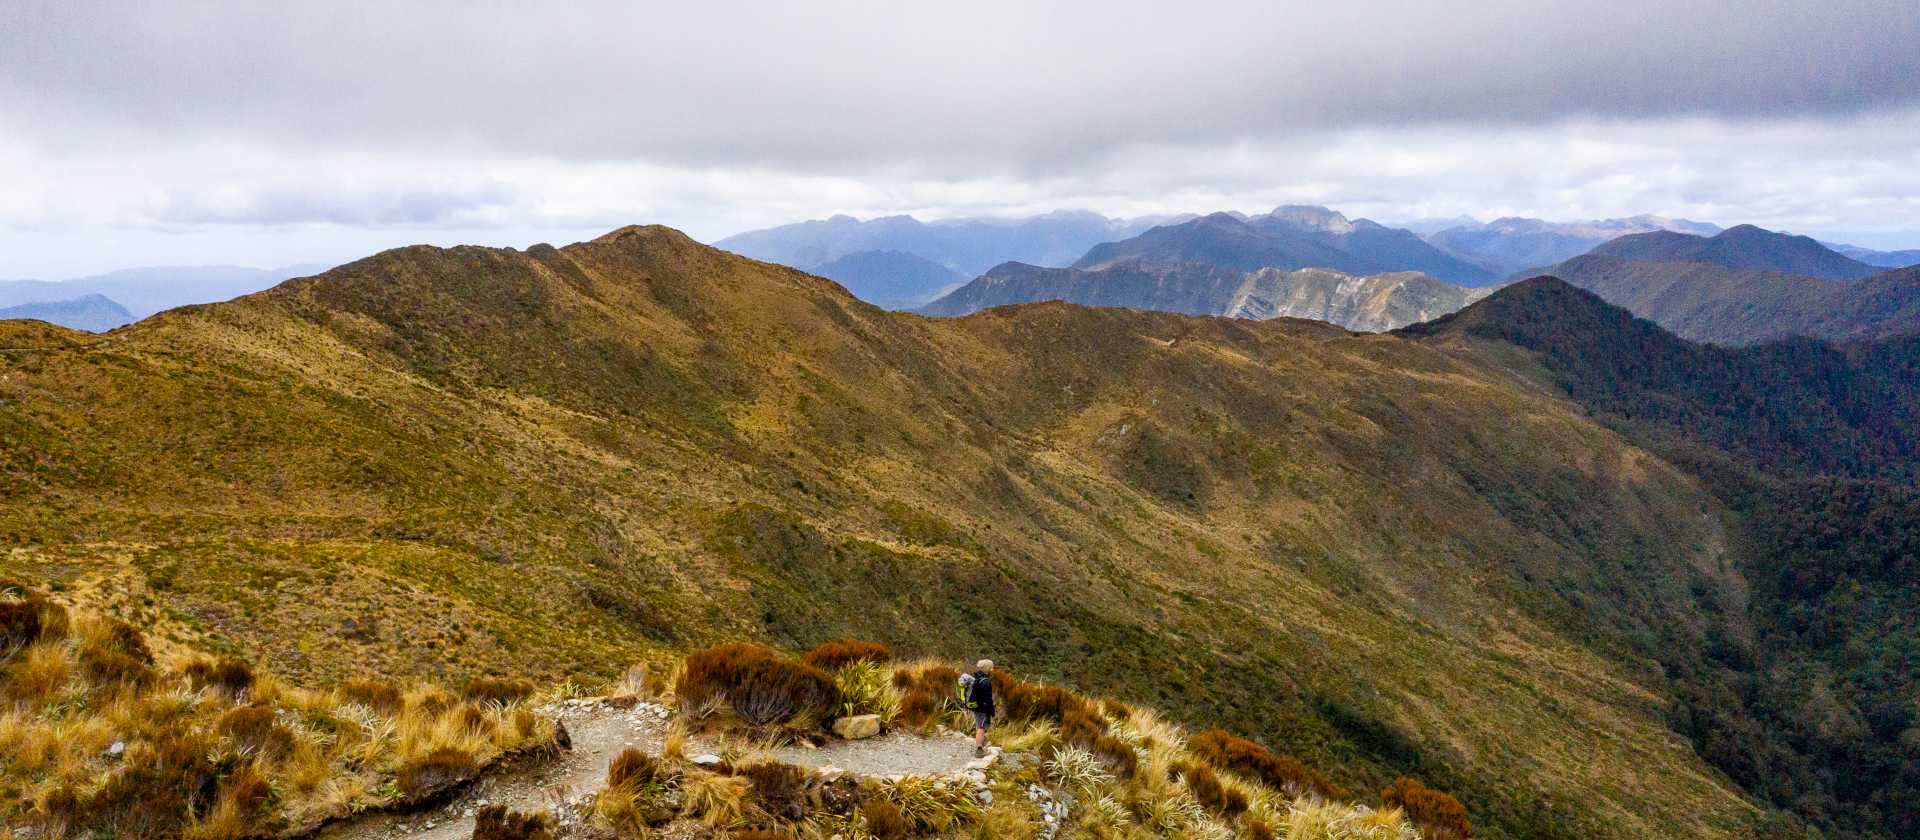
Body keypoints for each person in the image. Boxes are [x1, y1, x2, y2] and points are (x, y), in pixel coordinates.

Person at [959, 658, 996, 757]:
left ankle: (981, 745)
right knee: (981, 728)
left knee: (979, 726)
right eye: (991, 668)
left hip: (976, 707)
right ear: (987, 669)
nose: (992, 670)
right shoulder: (986, 681)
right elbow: (988, 699)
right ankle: (979, 750)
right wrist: (991, 711)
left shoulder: (977, 678)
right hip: (982, 709)